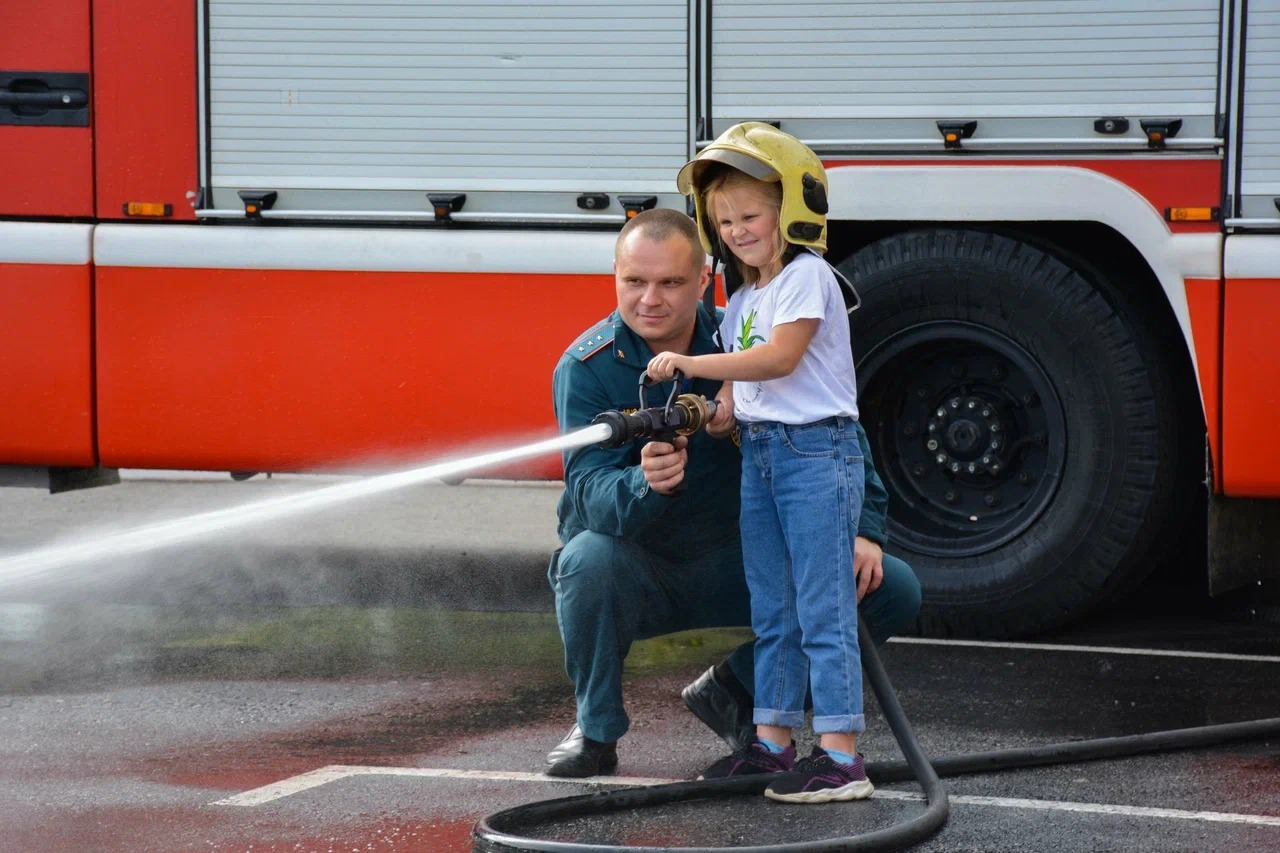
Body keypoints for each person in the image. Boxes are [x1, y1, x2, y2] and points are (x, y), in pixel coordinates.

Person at [546, 203, 921, 783]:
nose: (650, 299)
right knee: (586, 561)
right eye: (634, 282)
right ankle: (595, 729)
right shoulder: (586, 366)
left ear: (703, 280)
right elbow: (587, 493)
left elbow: (835, 426)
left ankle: (735, 692)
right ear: (614, 278)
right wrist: (641, 483)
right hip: (647, 568)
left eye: (671, 282)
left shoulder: (752, 336)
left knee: (887, 584)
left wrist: (866, 528)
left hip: (747, 559)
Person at [646, 122, 882, 804]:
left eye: (751, 215)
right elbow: (735, 398)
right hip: (765, 455)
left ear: (791, 210)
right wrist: (702, 414)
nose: (738, 229)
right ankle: (773, 745)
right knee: (774, 611)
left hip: (815, 452)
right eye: (724, 220)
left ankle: (841, 758)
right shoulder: (742, 300)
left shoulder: (808, 279)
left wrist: (692, 360)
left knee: (822, 610)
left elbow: (778, 360)